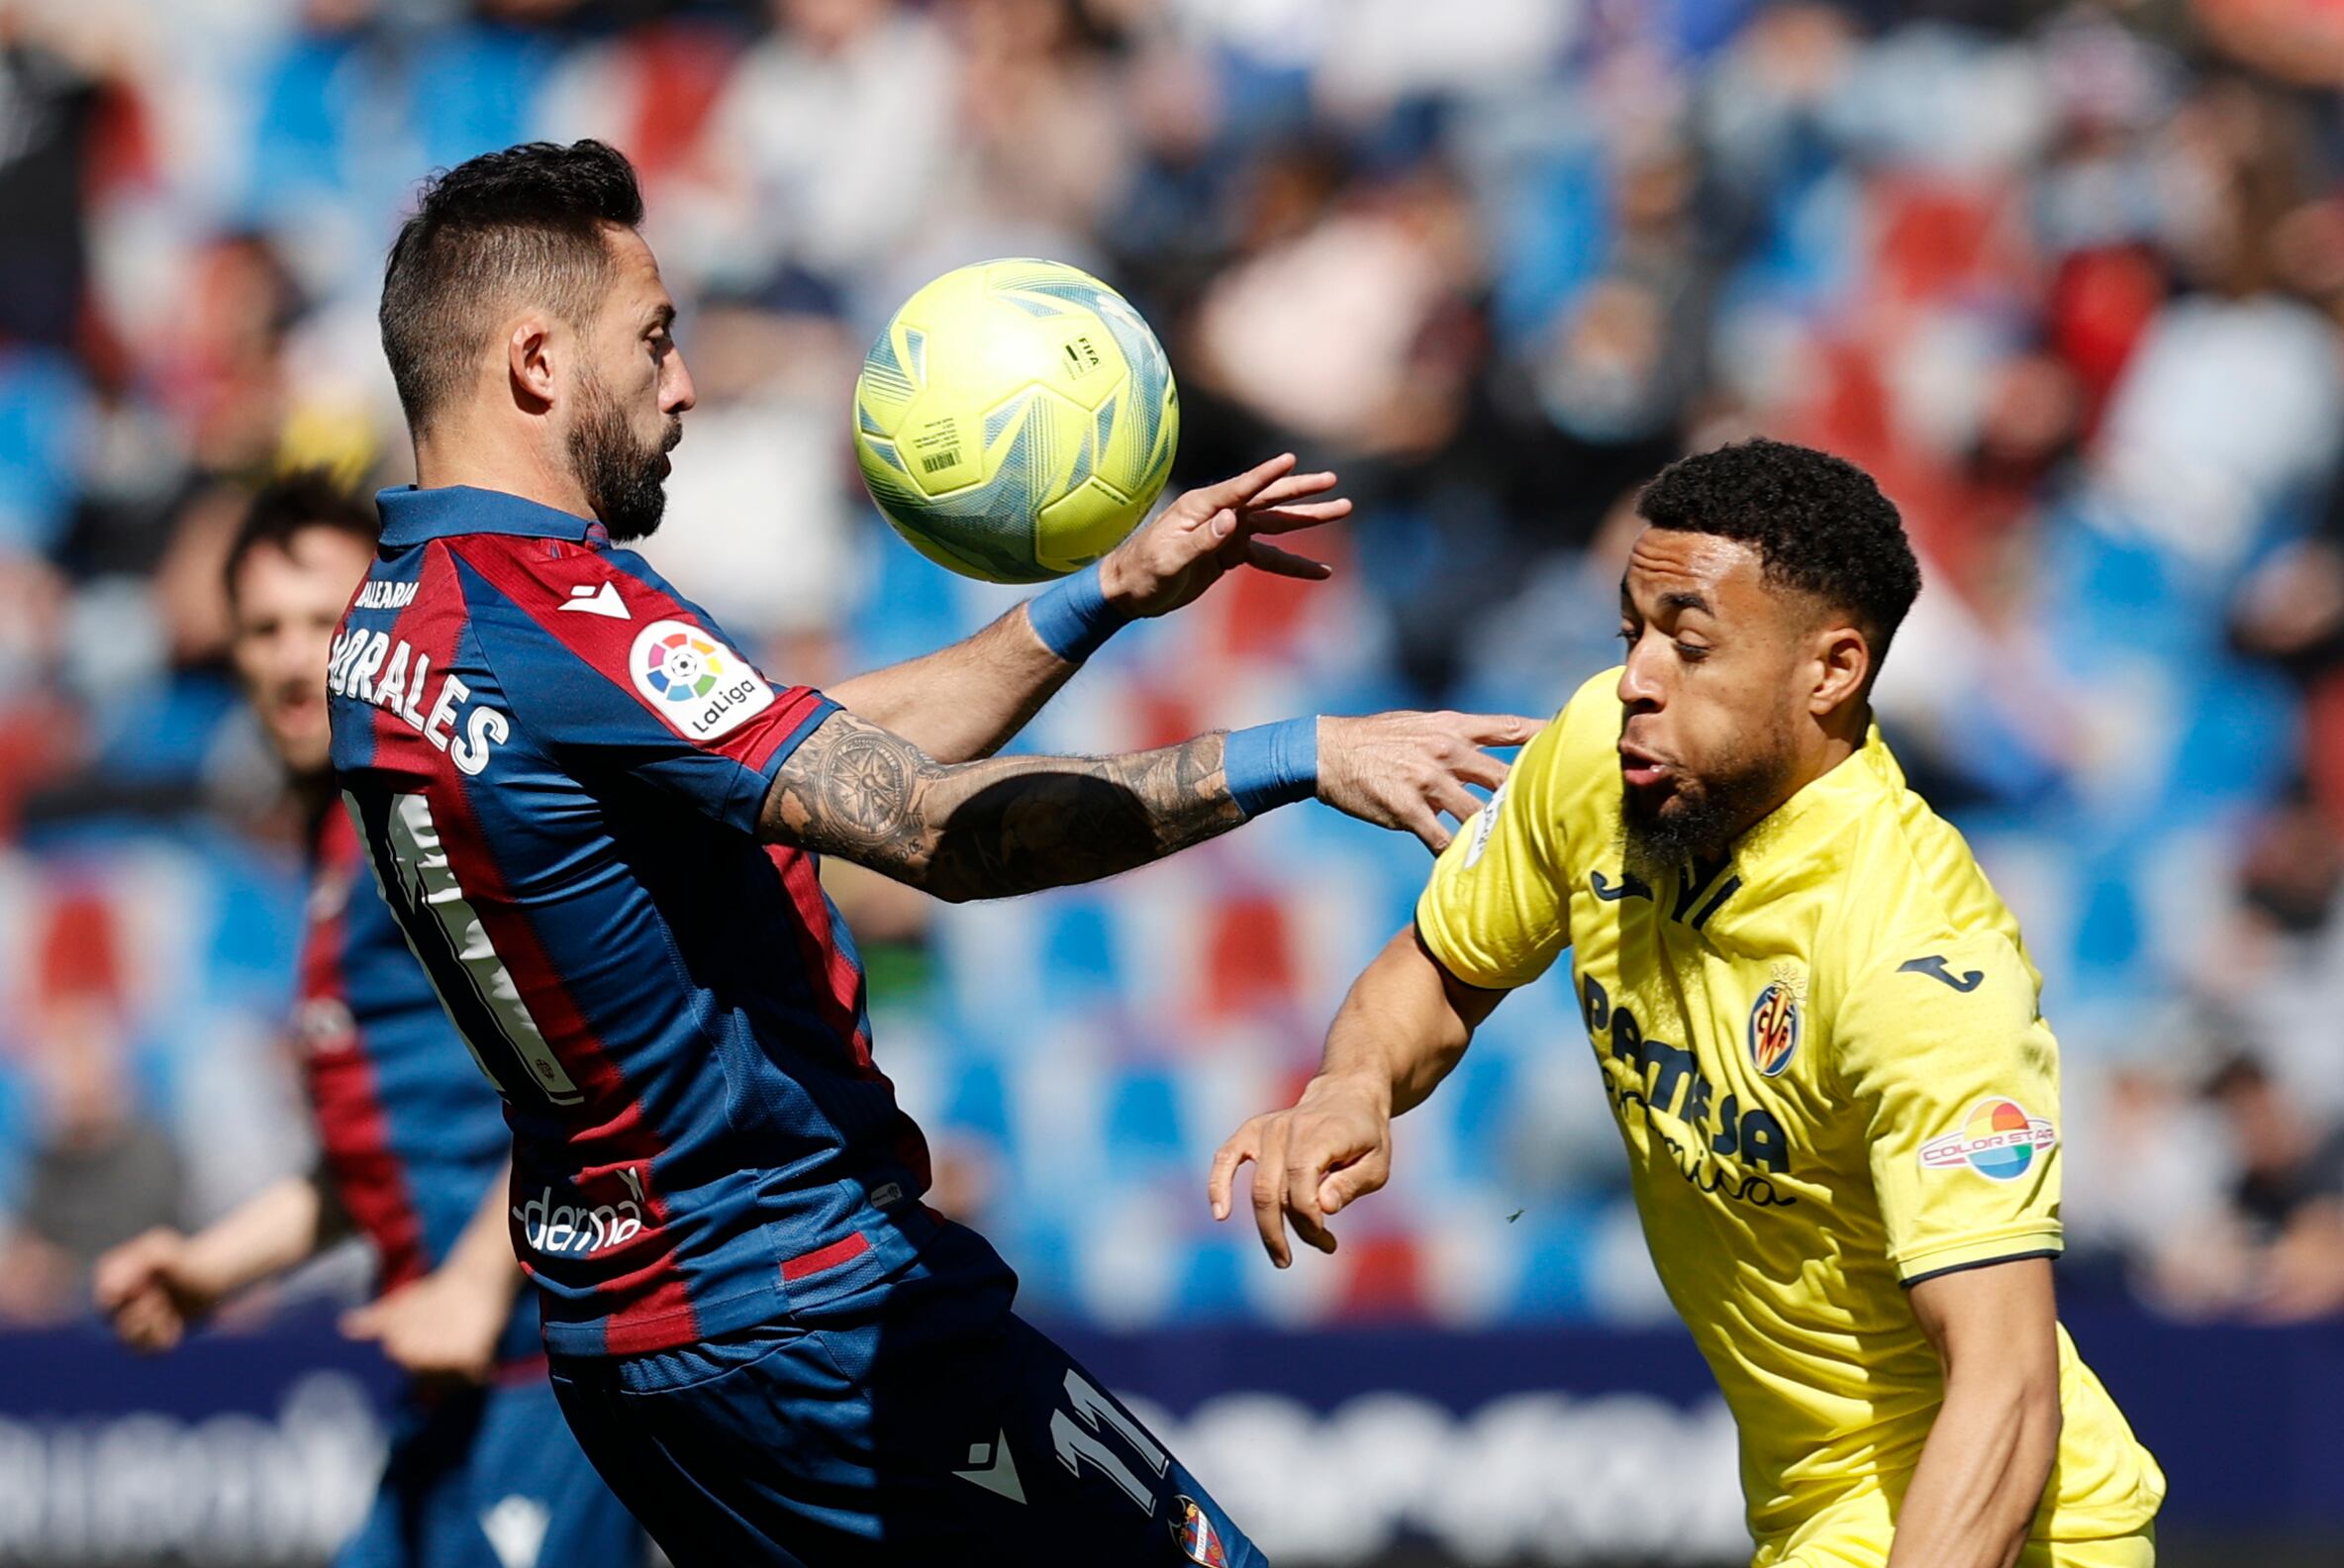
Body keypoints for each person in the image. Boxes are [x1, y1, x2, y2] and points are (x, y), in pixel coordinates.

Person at [329, 138, 1530, 1568]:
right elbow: (929, 832)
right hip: (807, 1305)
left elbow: (812, 746)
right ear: (536, 362)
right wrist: (1295, 755)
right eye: (652, 340)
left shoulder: (400, 620)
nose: (685, 383)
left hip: (641, 1328)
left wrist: (1103, 598)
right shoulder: (560, 612)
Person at [1212, 440, 2169, 1568]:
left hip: (1985, 1521)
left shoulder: (1917, 959)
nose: (1636, 679)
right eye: (1630, 632)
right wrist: (1350, 1087)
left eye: (1690, 642)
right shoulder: (1602, 759)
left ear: (1832, 670)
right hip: (1815, 1509)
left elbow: (2005, 1389)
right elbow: (1438, 966)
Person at [94, 475, 645, 1568]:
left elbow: (605, 1067)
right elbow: (383, 1155)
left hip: (545, 1373)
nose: (297, 658)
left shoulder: (441, 816)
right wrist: (211, 1269)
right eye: (265, 628)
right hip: (450, 1379)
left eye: (326, 620)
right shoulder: (337, 843)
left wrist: (476, 1283)